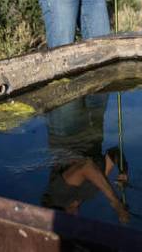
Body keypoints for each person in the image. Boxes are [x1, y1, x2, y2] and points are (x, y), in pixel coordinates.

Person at [42, 94, 130, 224]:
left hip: (67, 130)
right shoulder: (90, 192)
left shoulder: (59, 196)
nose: (77, 217)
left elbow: (85, 166)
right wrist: (123, 170)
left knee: (67, 83)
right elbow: (114, 153)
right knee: (97, 76)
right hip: (93, 120)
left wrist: (115, 202)